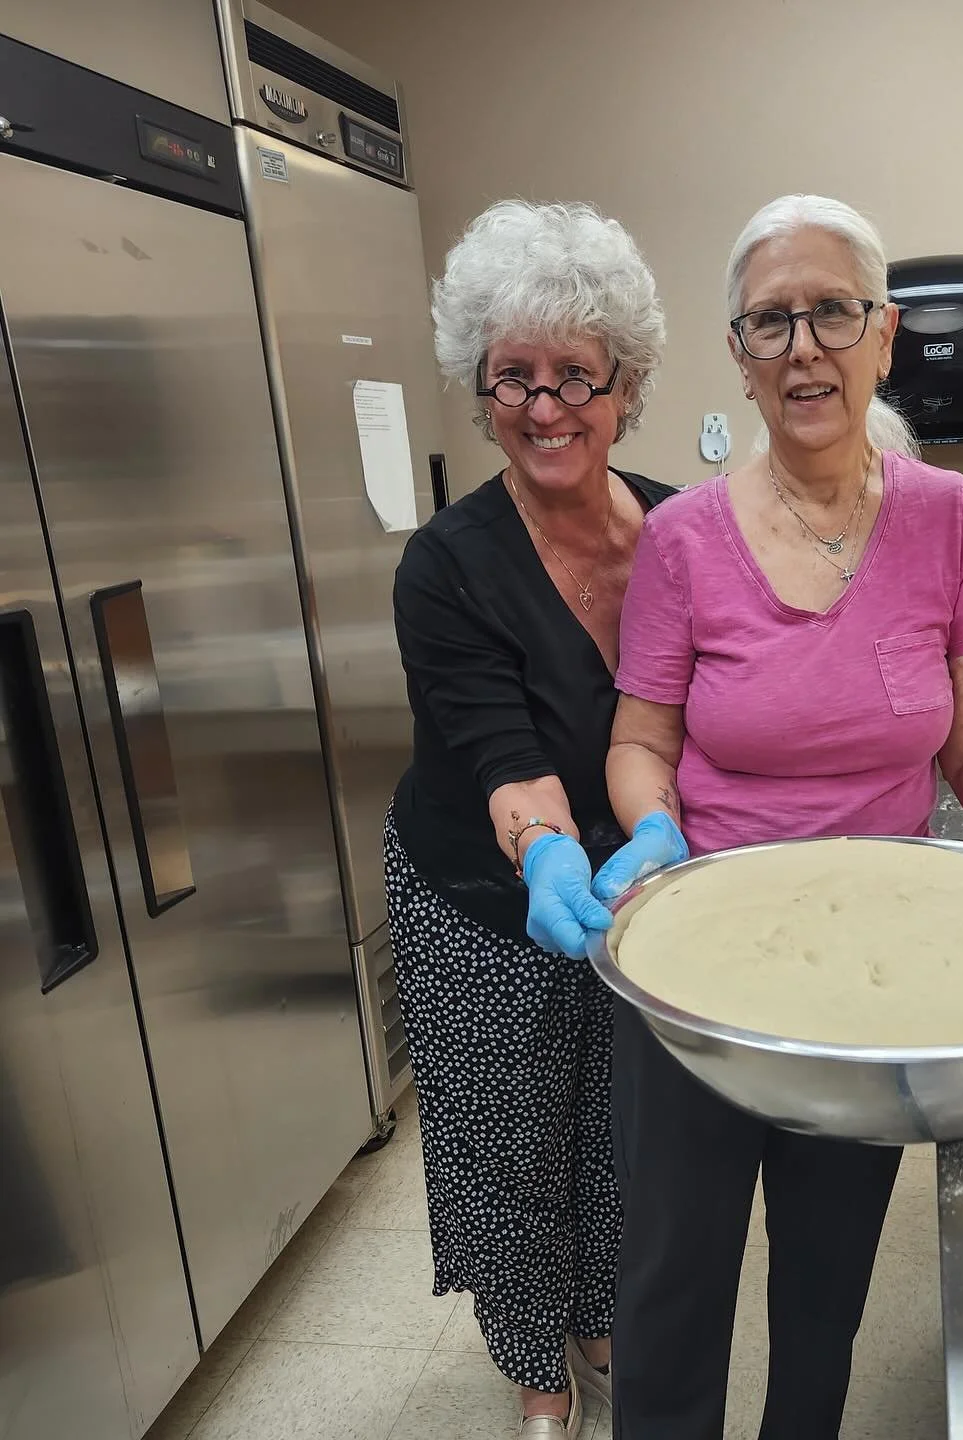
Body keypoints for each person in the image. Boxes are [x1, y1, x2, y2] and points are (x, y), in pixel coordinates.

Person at [586, 194, 963, 1439]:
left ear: (884, 336)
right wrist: (653, 829)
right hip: (698, 974)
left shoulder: (952, 523)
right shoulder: (681, 540)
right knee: (671, 1282)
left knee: (827, 1283)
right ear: (740, 354)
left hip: (873, 986)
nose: (803, 347)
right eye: (770, 321)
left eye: (832, 312)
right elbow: (640, 742)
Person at [384, 199, 668, 1439]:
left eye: (575, 376)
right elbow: (504, 754)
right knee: (509, 1146)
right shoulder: (446, 564)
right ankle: (537, 1377)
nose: (546, 406)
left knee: (612, 1130)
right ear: (480, 388)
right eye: (515, 377)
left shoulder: (681, 532)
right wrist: (549, 854)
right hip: (479, 895)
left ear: (626, 386)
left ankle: (598, 1326)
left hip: (635, 887)